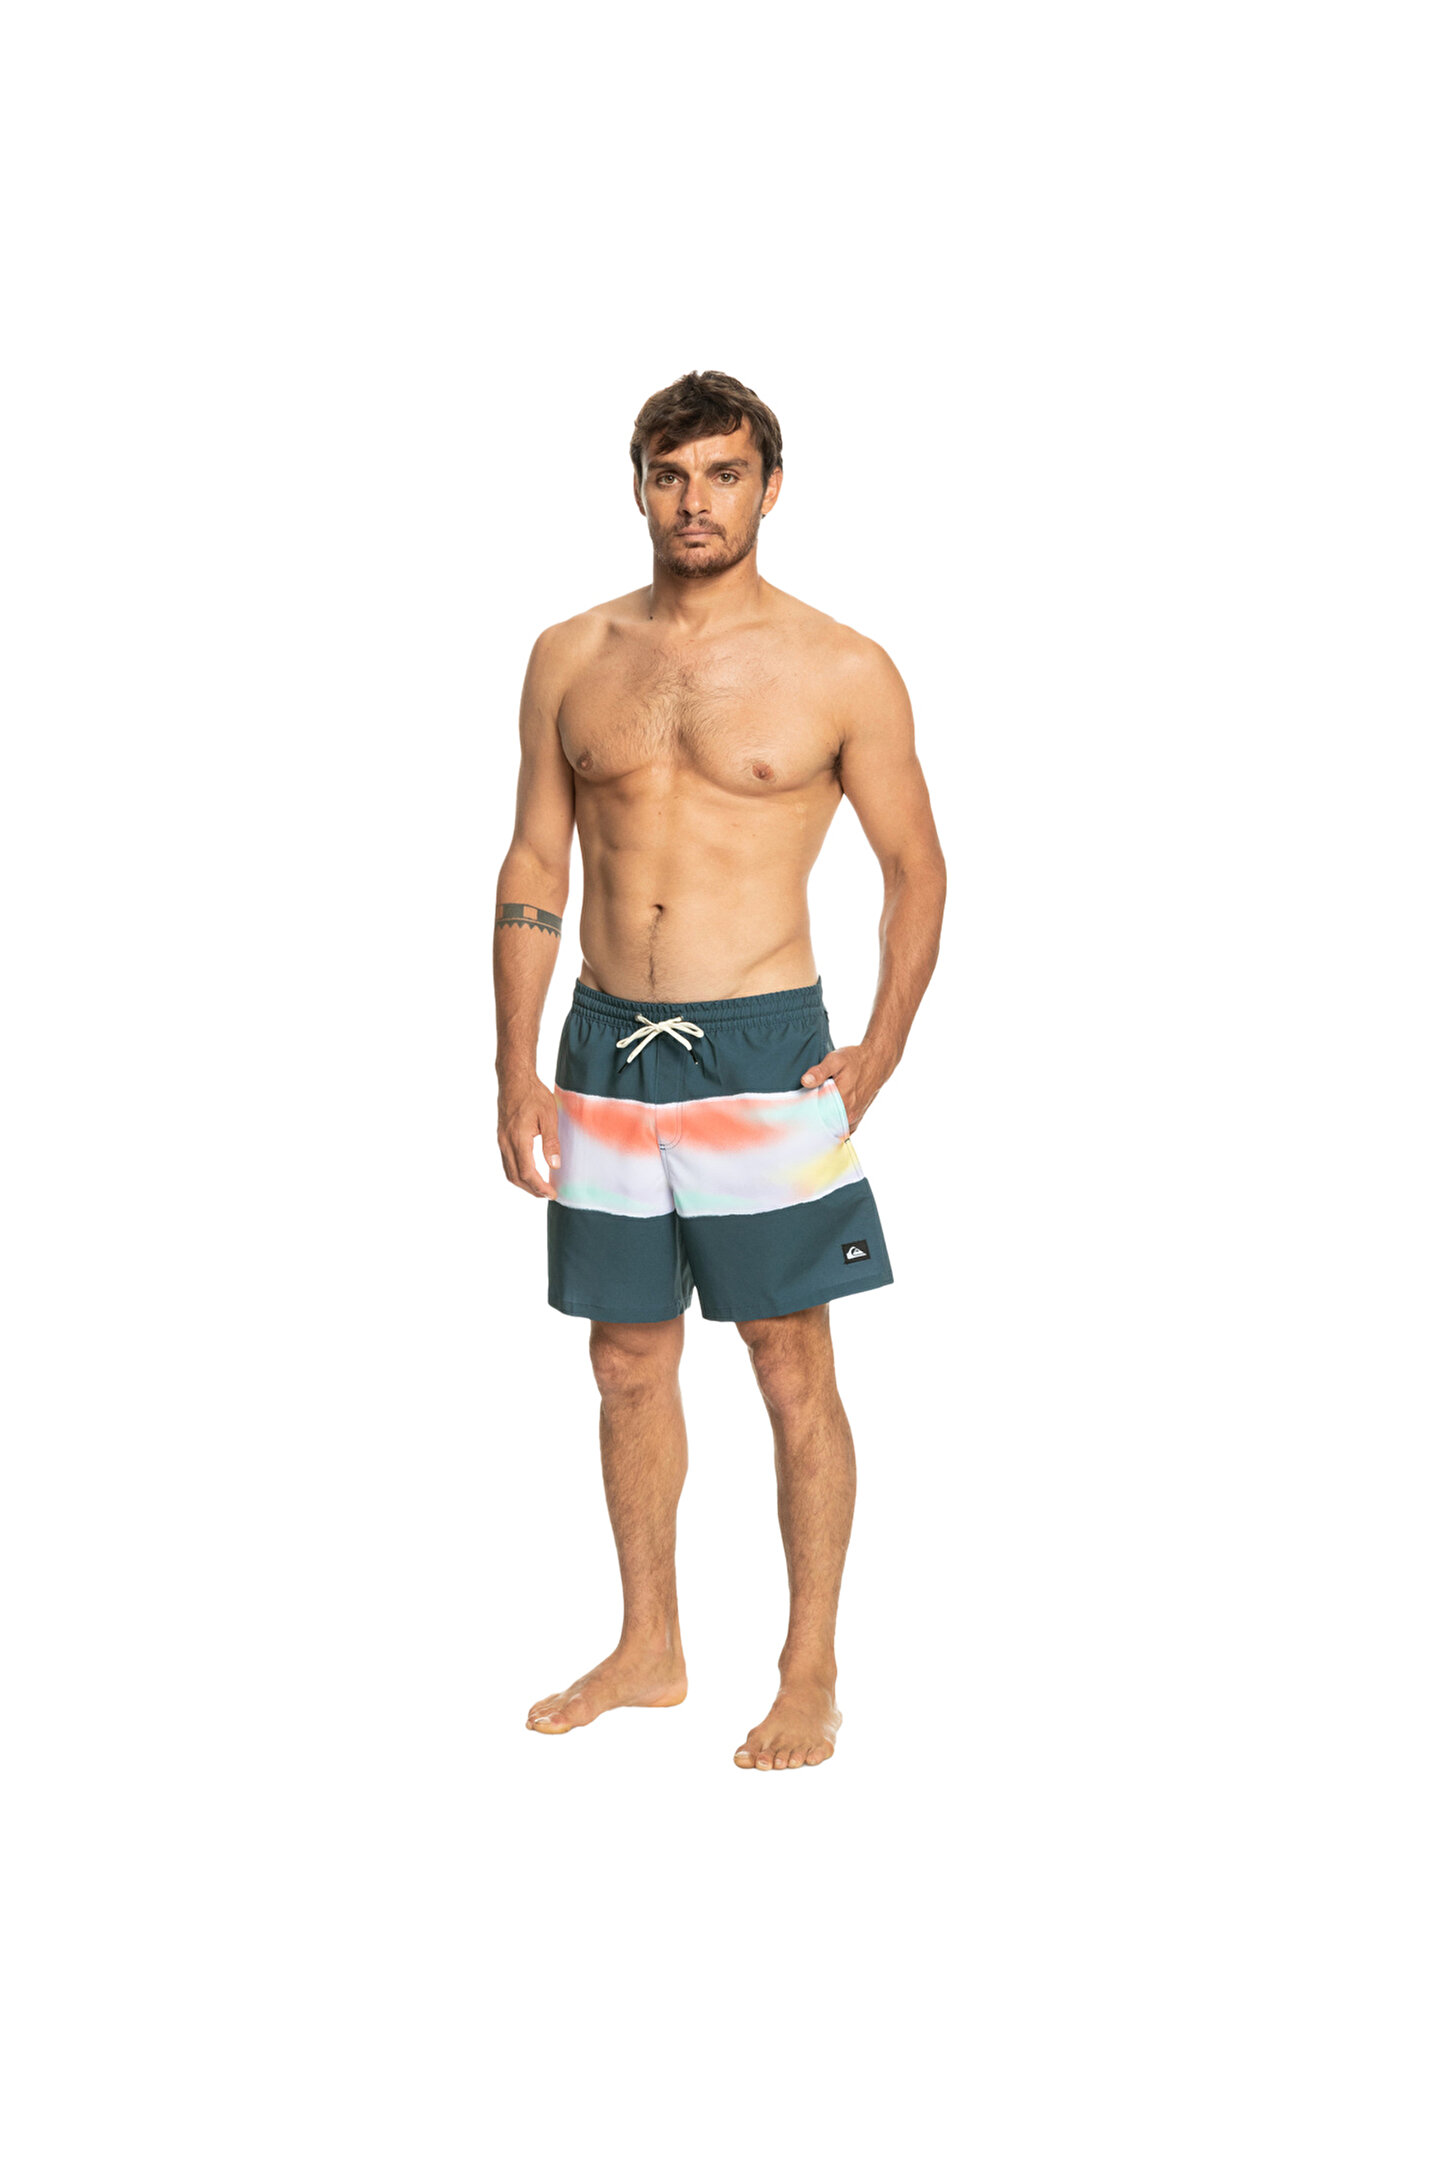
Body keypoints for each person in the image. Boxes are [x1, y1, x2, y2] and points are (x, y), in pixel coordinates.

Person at [494, 370, 946, 1769]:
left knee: (790, 1359)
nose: (697, 502)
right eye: (672, 474)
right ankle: (651, 1646)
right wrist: (514, 1066)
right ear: (639, 486)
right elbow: (535, 861)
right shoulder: (570, 655)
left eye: (726, 474)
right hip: (603, 1049)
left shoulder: (842, 667)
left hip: (763, 1050)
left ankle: (810, 1671)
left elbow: (916, 868)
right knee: (626, 1359)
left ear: (771, 486)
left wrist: (881, 1046)